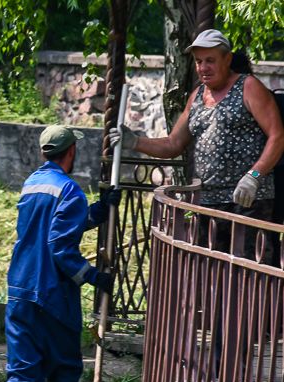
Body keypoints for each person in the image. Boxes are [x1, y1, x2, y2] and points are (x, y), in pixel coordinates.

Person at [0, 125, 121, 382]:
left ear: (44, 153)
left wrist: (96, 211)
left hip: (19, 288)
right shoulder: (69, 189)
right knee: (66, 367)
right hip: (51, 293)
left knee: (20, 371)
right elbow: (61, 247)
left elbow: (50, 226)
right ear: (71, 153)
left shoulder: (32, 184)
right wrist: (97, 278)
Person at [109, 29, 284, 261]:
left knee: (248, 276)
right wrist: (136, 142)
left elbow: (277, 136)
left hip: (247, 201)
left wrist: (254, 175)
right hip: (208, 205)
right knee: (210, 274)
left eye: (210, 61)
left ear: (227, 59)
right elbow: (173, 144)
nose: (203, 68)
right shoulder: (198, 95)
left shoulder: (248, 86)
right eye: (199, 62)